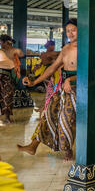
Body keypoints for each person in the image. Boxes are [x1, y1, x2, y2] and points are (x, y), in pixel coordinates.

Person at [18, 19, 78, 161]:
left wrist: (70, 80)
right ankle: (33, 146)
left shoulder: (85, 48)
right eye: (68, 30)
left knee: (65, 117)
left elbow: (87, 70)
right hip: (64, 87)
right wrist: (34, 81)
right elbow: (52, 68)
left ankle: (67, 149)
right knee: (48, 114)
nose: (70, 33)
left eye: (73, 30)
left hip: (78, 87)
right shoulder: (65, 49)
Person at [34, 40, 61, 115]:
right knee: (51, 92)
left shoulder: (43, 54)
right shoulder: (51, 53)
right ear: (50, 46)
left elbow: (41, 63)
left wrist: (37, 66)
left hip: (45, 74)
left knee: (49, 92)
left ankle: (44, 107)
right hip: (50, 74)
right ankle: (46, 108)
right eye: (53, 45)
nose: (54, 47)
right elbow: (61, 53)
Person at [0, 46, 15, 124]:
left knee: (8, 97)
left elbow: (13, 66)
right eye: (8, 43)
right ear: (2, 42)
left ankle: (7, 117)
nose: (9, 44)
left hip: (7, 77)